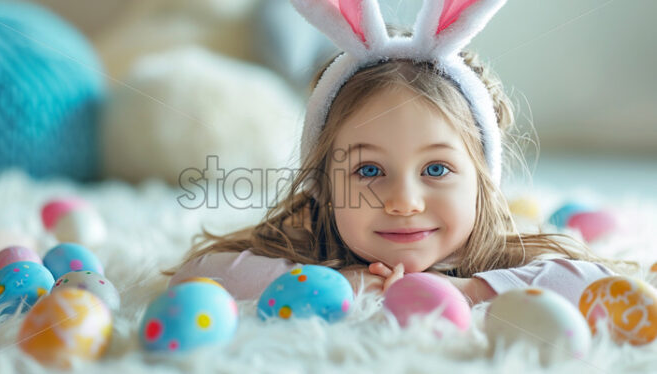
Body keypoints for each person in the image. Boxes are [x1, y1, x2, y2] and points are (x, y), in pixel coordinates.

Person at [164, 0, 628, 307]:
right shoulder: (311, 245)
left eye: (436, 168)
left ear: (482, 182)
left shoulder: (499, 259)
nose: (403, 201)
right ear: (325, 188)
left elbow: (601, 287)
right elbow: (198, 275)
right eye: (369, 169)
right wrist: (345, 284)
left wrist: (464, 290)